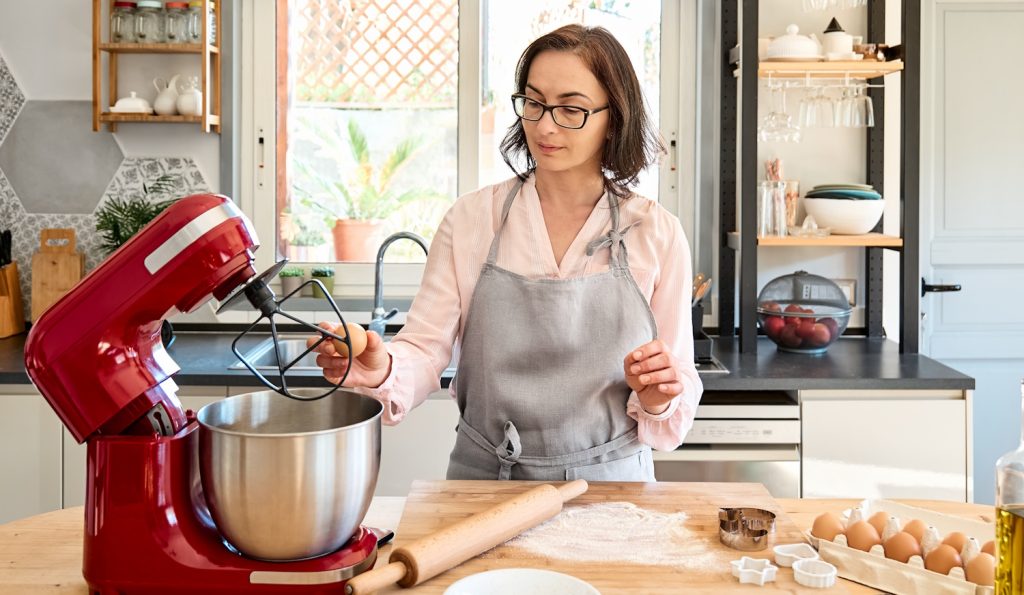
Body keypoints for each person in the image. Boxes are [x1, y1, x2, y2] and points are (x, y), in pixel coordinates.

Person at [310, 24, 703, 481]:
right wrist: (381, 367)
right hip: (486, 487)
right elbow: (423, 348)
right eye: (533, 103)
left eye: (570, 109)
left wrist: (658, 395)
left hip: (612, 489)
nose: (545, 125)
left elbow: (677, 382)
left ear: (614, 117)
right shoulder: (472, 220)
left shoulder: (656, 232)